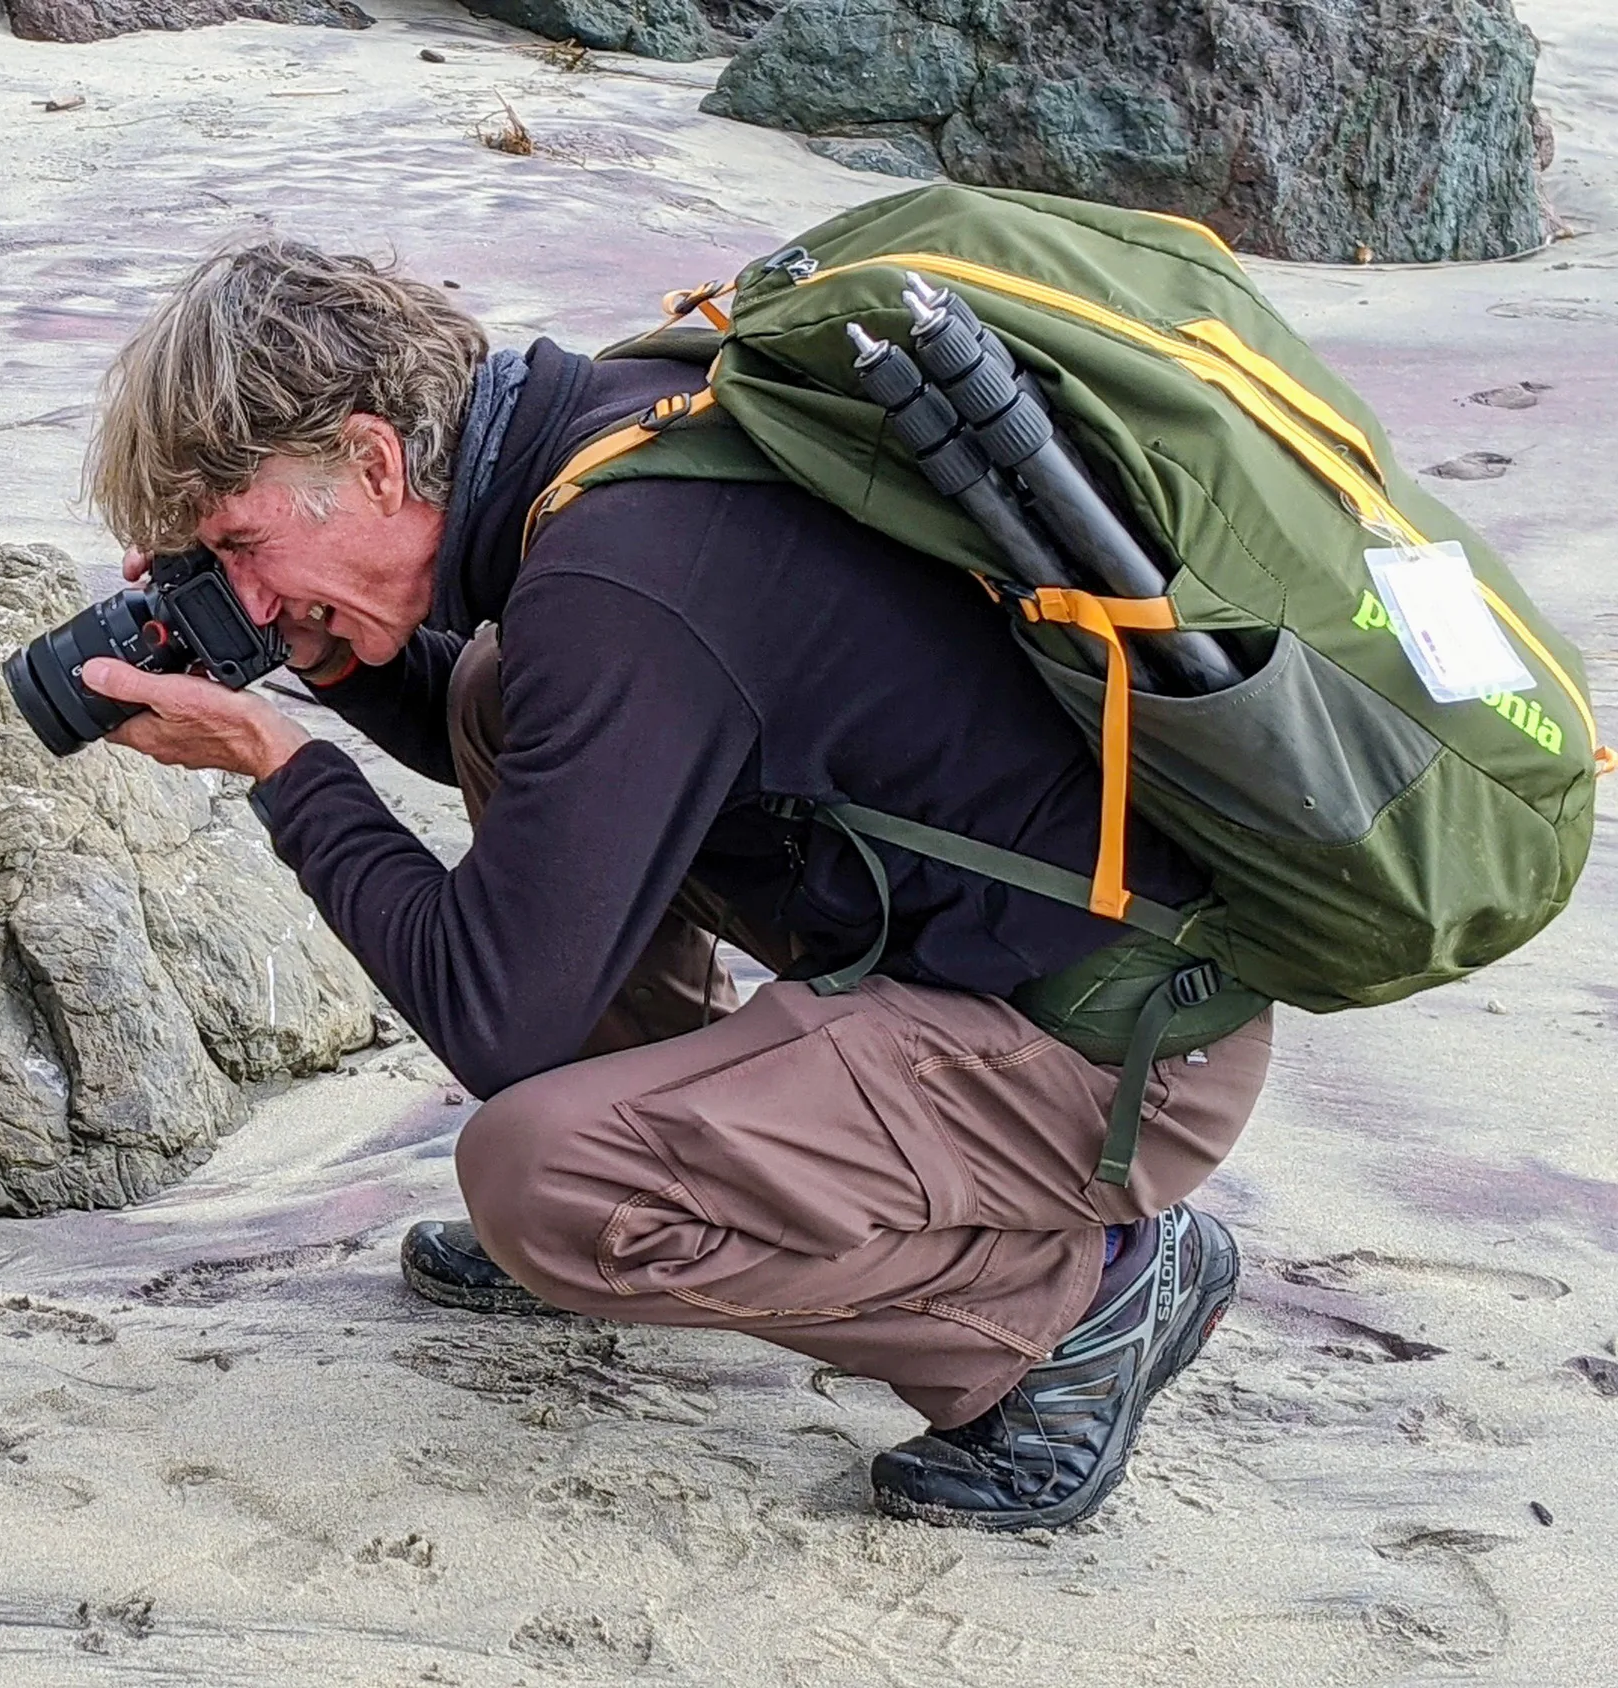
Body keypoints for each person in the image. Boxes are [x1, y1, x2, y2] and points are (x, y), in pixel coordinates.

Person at [72, 241, 1269, 1532]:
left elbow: (494, 1011)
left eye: (242, 545)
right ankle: (681, 1156)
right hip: (1030, 958)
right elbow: (570, 727)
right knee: (488, 697)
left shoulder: (618, 575)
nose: (241, 594)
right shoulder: (614, 431)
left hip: (1117, 1056)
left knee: (541, 1181)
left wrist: (280, 762)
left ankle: (1077, 1306)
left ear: (373, 460)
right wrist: (310, 651)